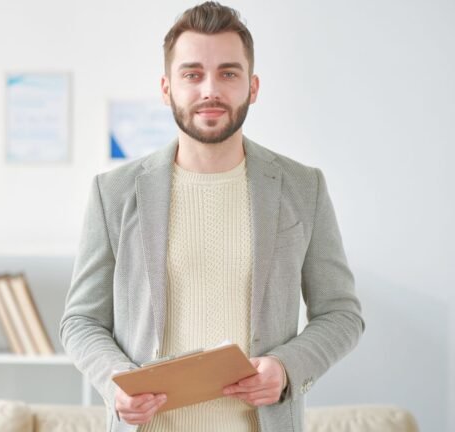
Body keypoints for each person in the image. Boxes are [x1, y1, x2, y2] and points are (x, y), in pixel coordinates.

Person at [59, 2, 365, 431]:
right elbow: (81, 321)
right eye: (192, 74)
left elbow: (341, 314)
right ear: (166, 88)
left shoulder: (303, 187)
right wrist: (115, 385)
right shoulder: (113, 193)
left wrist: (287, 367)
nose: (210, 90)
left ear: (252, 86)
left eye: (228, 73)